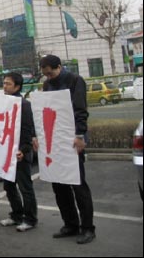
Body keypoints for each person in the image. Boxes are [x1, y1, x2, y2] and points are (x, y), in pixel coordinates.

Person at [40, 54, 96, 244]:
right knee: (59, 185)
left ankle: (88, 228)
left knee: (78, 186)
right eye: (45, 74)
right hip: (53, 141)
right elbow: (43, 110)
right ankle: (70, 224)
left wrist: (80, 135)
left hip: (72, 140)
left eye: (51, 73)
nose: (49, 77)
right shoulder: (47, 85)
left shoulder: (75, 80)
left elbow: (80, 109)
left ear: (59, 67)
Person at [0, 72, 38, 232]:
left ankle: (30, 219)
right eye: (4, 83)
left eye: (8, 83)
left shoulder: (24, 104)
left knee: (25, 187)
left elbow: (28, 130)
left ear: (17, 86)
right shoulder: (3, 103)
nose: (4, 86)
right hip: (7, 151)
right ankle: (16, 215)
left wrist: (24, 149)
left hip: (21, 152)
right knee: (8, 186)